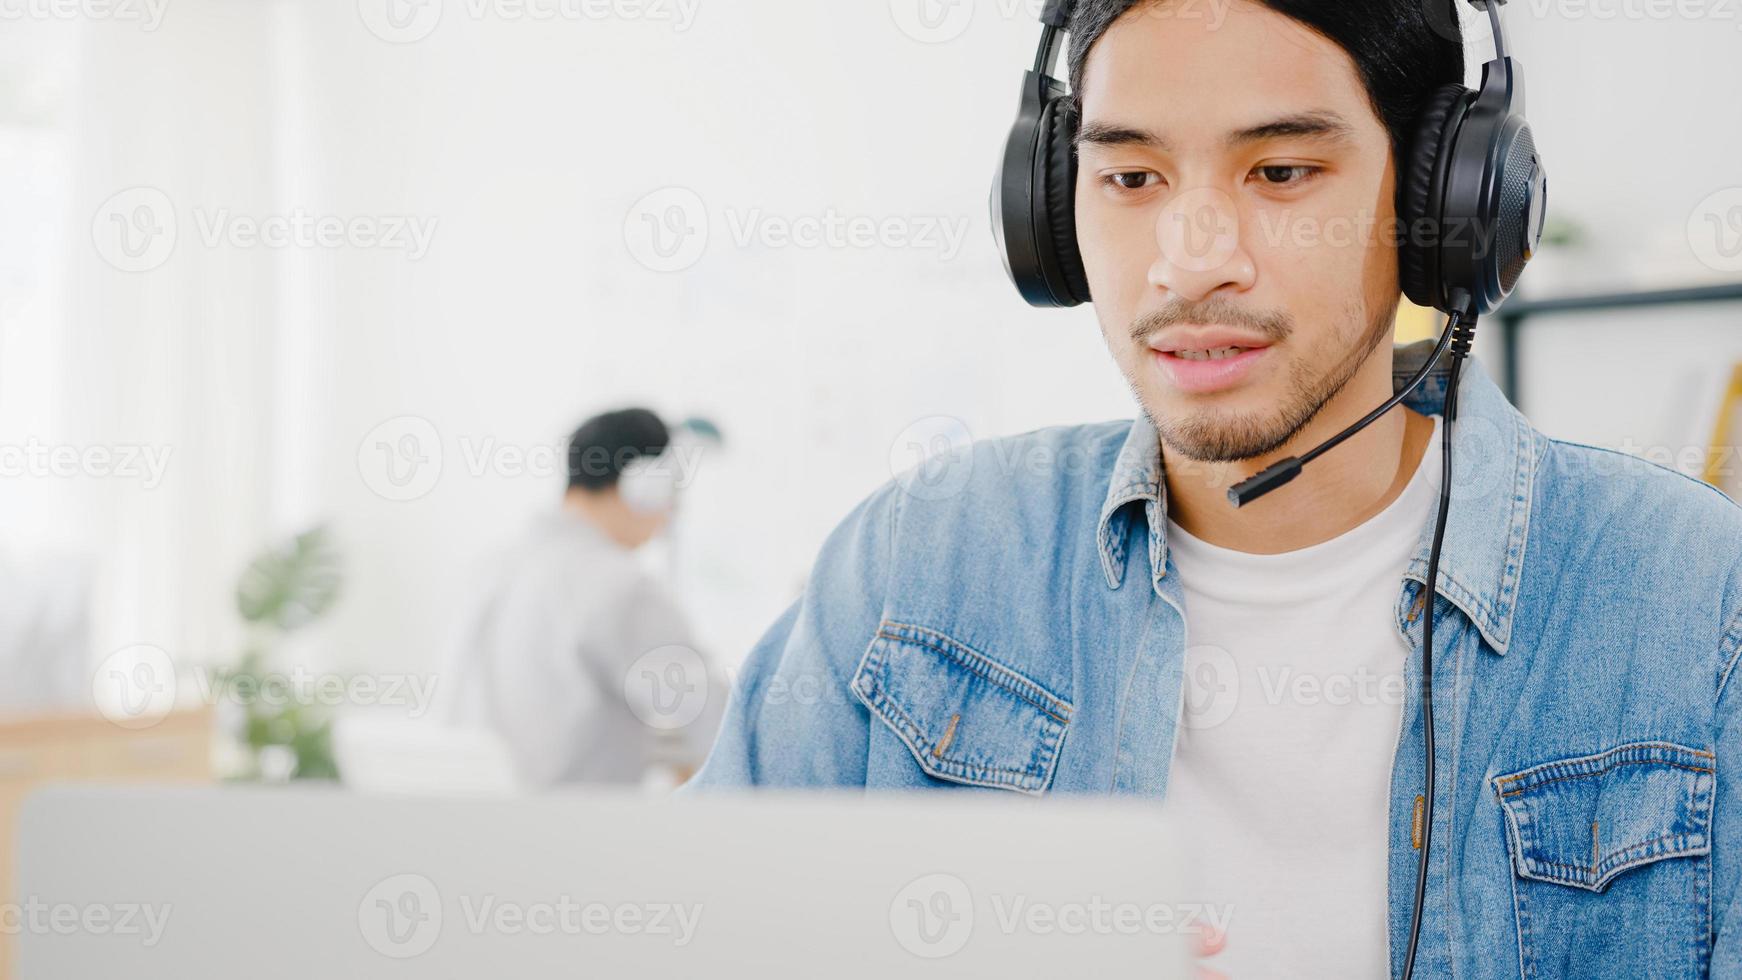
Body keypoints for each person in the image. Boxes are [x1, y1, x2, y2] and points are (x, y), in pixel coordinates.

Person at [686, 2, 1742, 977]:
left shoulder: (1690, 601)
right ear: (1051, 217)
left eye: (1279, 172)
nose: (1190, 264)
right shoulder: (916, 562)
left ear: (1443, 205)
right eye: (1130, 180)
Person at [439, 408, 722, 788]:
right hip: (578, 830)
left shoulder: (495, 567)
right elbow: (711, 720)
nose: (670, 513)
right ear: (645, 486)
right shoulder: (619, 584)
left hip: (488, 820)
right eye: (671, 491)